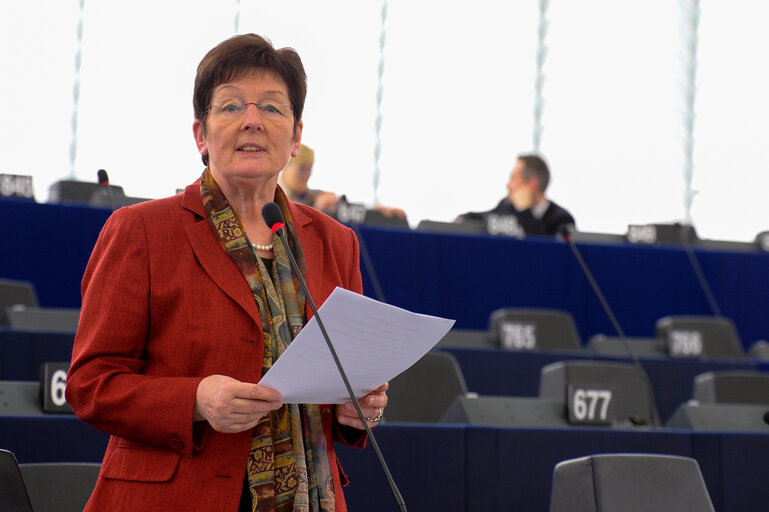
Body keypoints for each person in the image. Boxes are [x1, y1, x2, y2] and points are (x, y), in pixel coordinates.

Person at [65, 34, 388, 512]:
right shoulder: (141, 230)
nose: (253, 120)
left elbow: (345, 383)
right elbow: (91, 384)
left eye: (273, 109)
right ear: (201, 134)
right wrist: (195, 399)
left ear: (296, 138)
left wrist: (357, 408)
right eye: (232, 105)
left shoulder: (334, 241)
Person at [457, 154, 575, 236]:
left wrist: (524, 211)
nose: (509, 186)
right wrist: (465, 219)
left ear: (532, 184)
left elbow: (544, 248)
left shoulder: (561, 220)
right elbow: (487, 218)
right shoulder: (506, 207)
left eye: (514, 179)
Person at [279, 144, 339, 213]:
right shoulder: (272, 195)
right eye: (302, 168)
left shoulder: (315, 197)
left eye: (309, 169)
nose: (306, 175)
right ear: (285, 167)